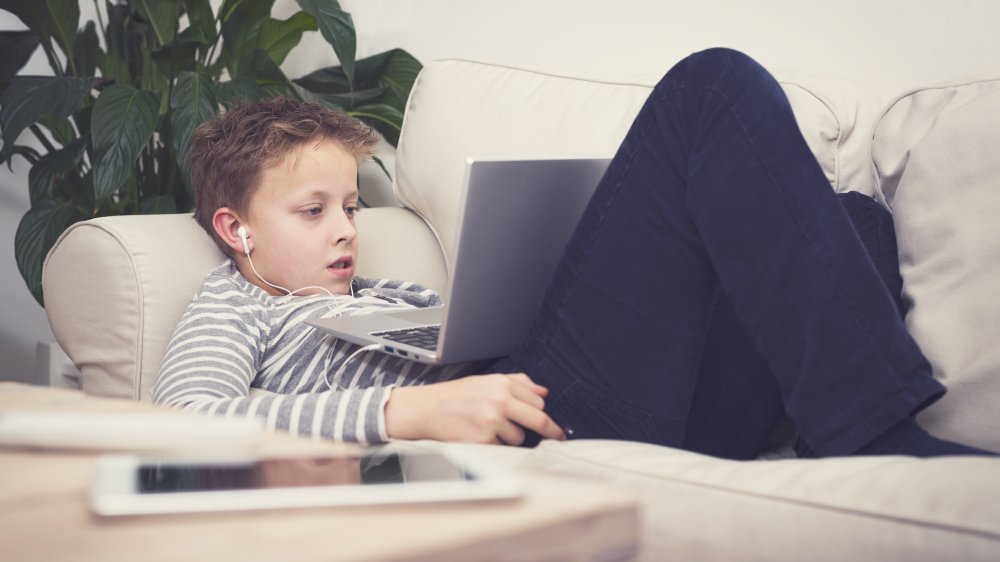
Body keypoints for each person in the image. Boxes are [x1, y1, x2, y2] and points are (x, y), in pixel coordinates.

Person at [153, 48, 994, 459]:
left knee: (854, 218)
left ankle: (836, 439)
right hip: (523, 431)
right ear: (237, 230)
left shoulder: (386, 291)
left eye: (349, 204)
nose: (345, 227)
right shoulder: (236, 305)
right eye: (312, 210)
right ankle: (876, 438)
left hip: (637, 408)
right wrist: (406, 412)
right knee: (711, 90)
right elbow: (181, 423)